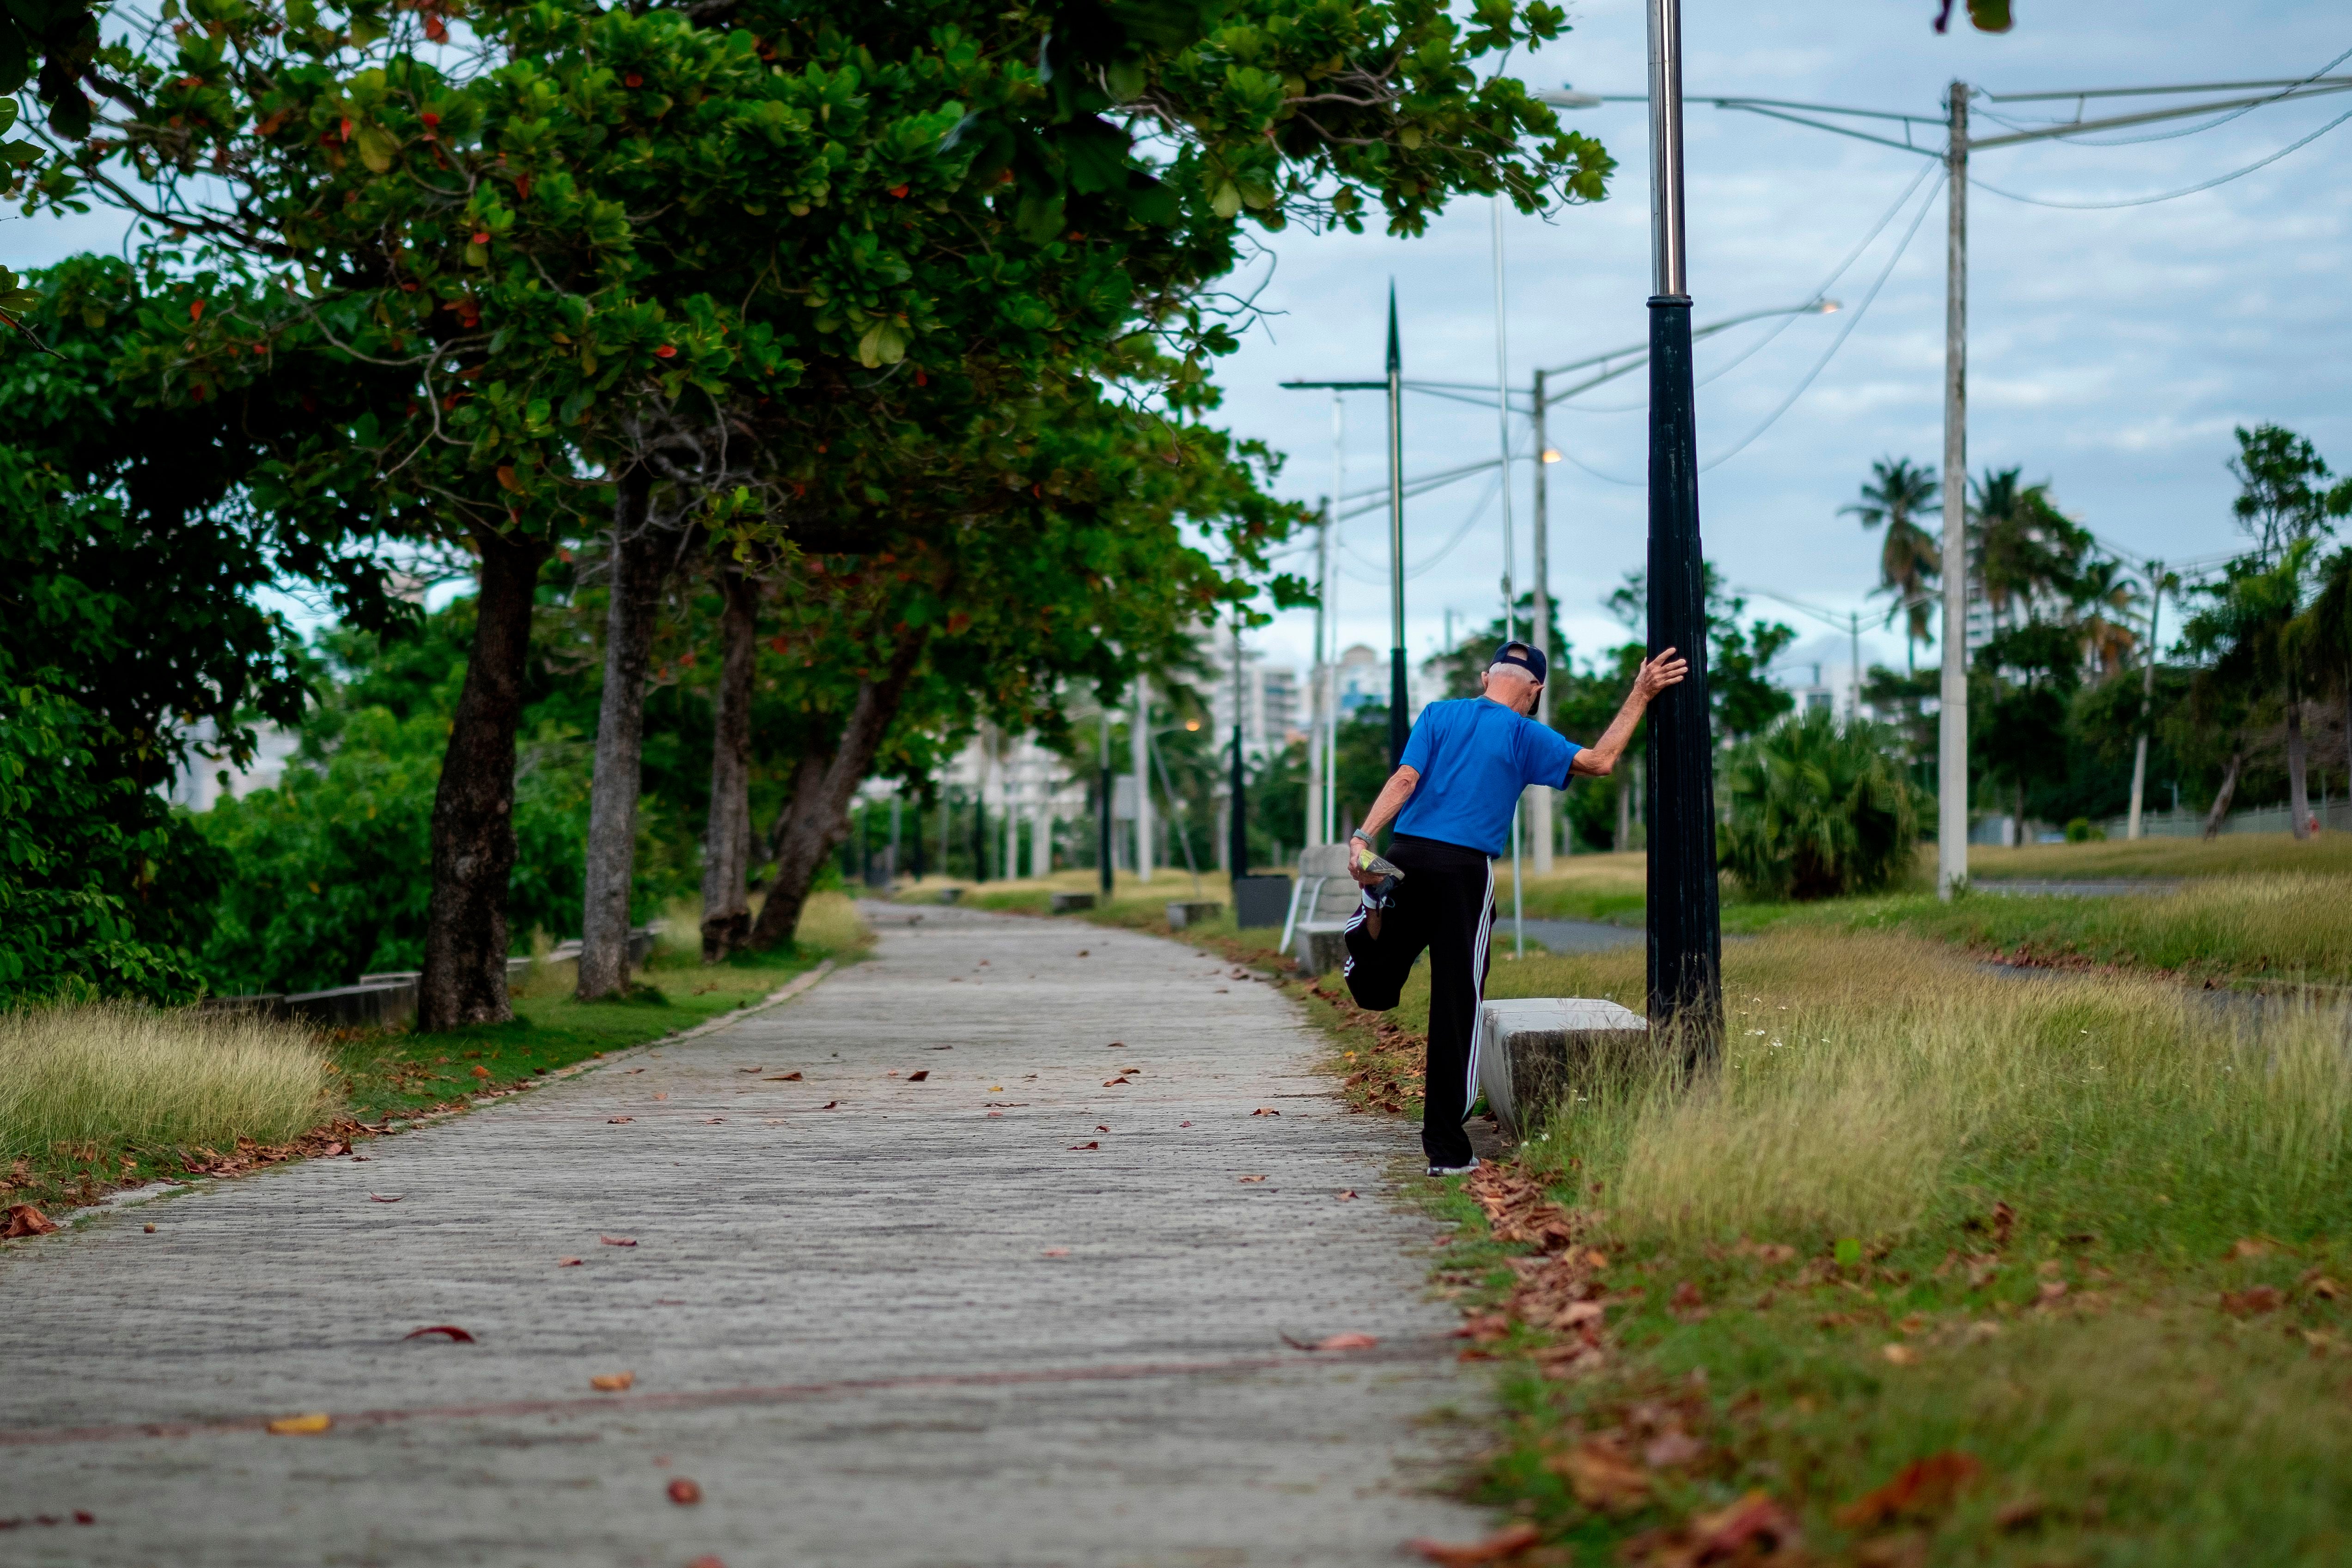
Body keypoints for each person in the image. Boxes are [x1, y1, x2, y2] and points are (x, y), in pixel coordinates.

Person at [1341, 638, 1688, 1176]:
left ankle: (1372, 902)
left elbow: (1405, 779)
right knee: (1457, 1003)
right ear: (1534, 690)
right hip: (1463, 872)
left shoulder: (1438, 714)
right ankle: (1447, 1152)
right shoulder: (1525, 733)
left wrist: (1364, 836)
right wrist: (1640, 693)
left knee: (1375, 987)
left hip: (1407, 853)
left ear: (1485, 677)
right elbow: (1600, 760)